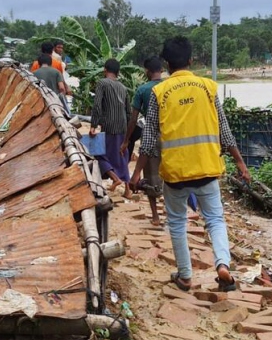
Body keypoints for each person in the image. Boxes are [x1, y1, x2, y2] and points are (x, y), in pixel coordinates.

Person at [129, 36, 252, 293]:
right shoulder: (208, 87)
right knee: (215, 219)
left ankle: (185, 275)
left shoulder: (159, 92)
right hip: (207, 167)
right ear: (191, 60)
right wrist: (241, 163)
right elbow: (224, 131)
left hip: (175, 173)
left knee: (176, 222)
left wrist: (136, 173)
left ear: (166, 63)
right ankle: (222, 265)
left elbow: (149, 140)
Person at [123, 57, 165, 224]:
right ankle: (174, 213)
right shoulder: (168, 87)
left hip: (152, 135)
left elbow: (133, 119)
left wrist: (126, 140)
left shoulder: (143, 90)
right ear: (161, 70)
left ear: (147, 71)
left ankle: (155, 216)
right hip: (172, 135)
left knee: (151, 175)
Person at [91, 58, 132, 197]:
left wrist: (93, 125)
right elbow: (128, 111)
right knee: (122, 155)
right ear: (118, 72)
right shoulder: (123, 87)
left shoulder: (102, 83)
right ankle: (128, 190)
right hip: (123, 126)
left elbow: (97, 105)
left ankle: (115, 178)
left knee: (99, 153)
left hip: (108, 125)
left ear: (105, 70)